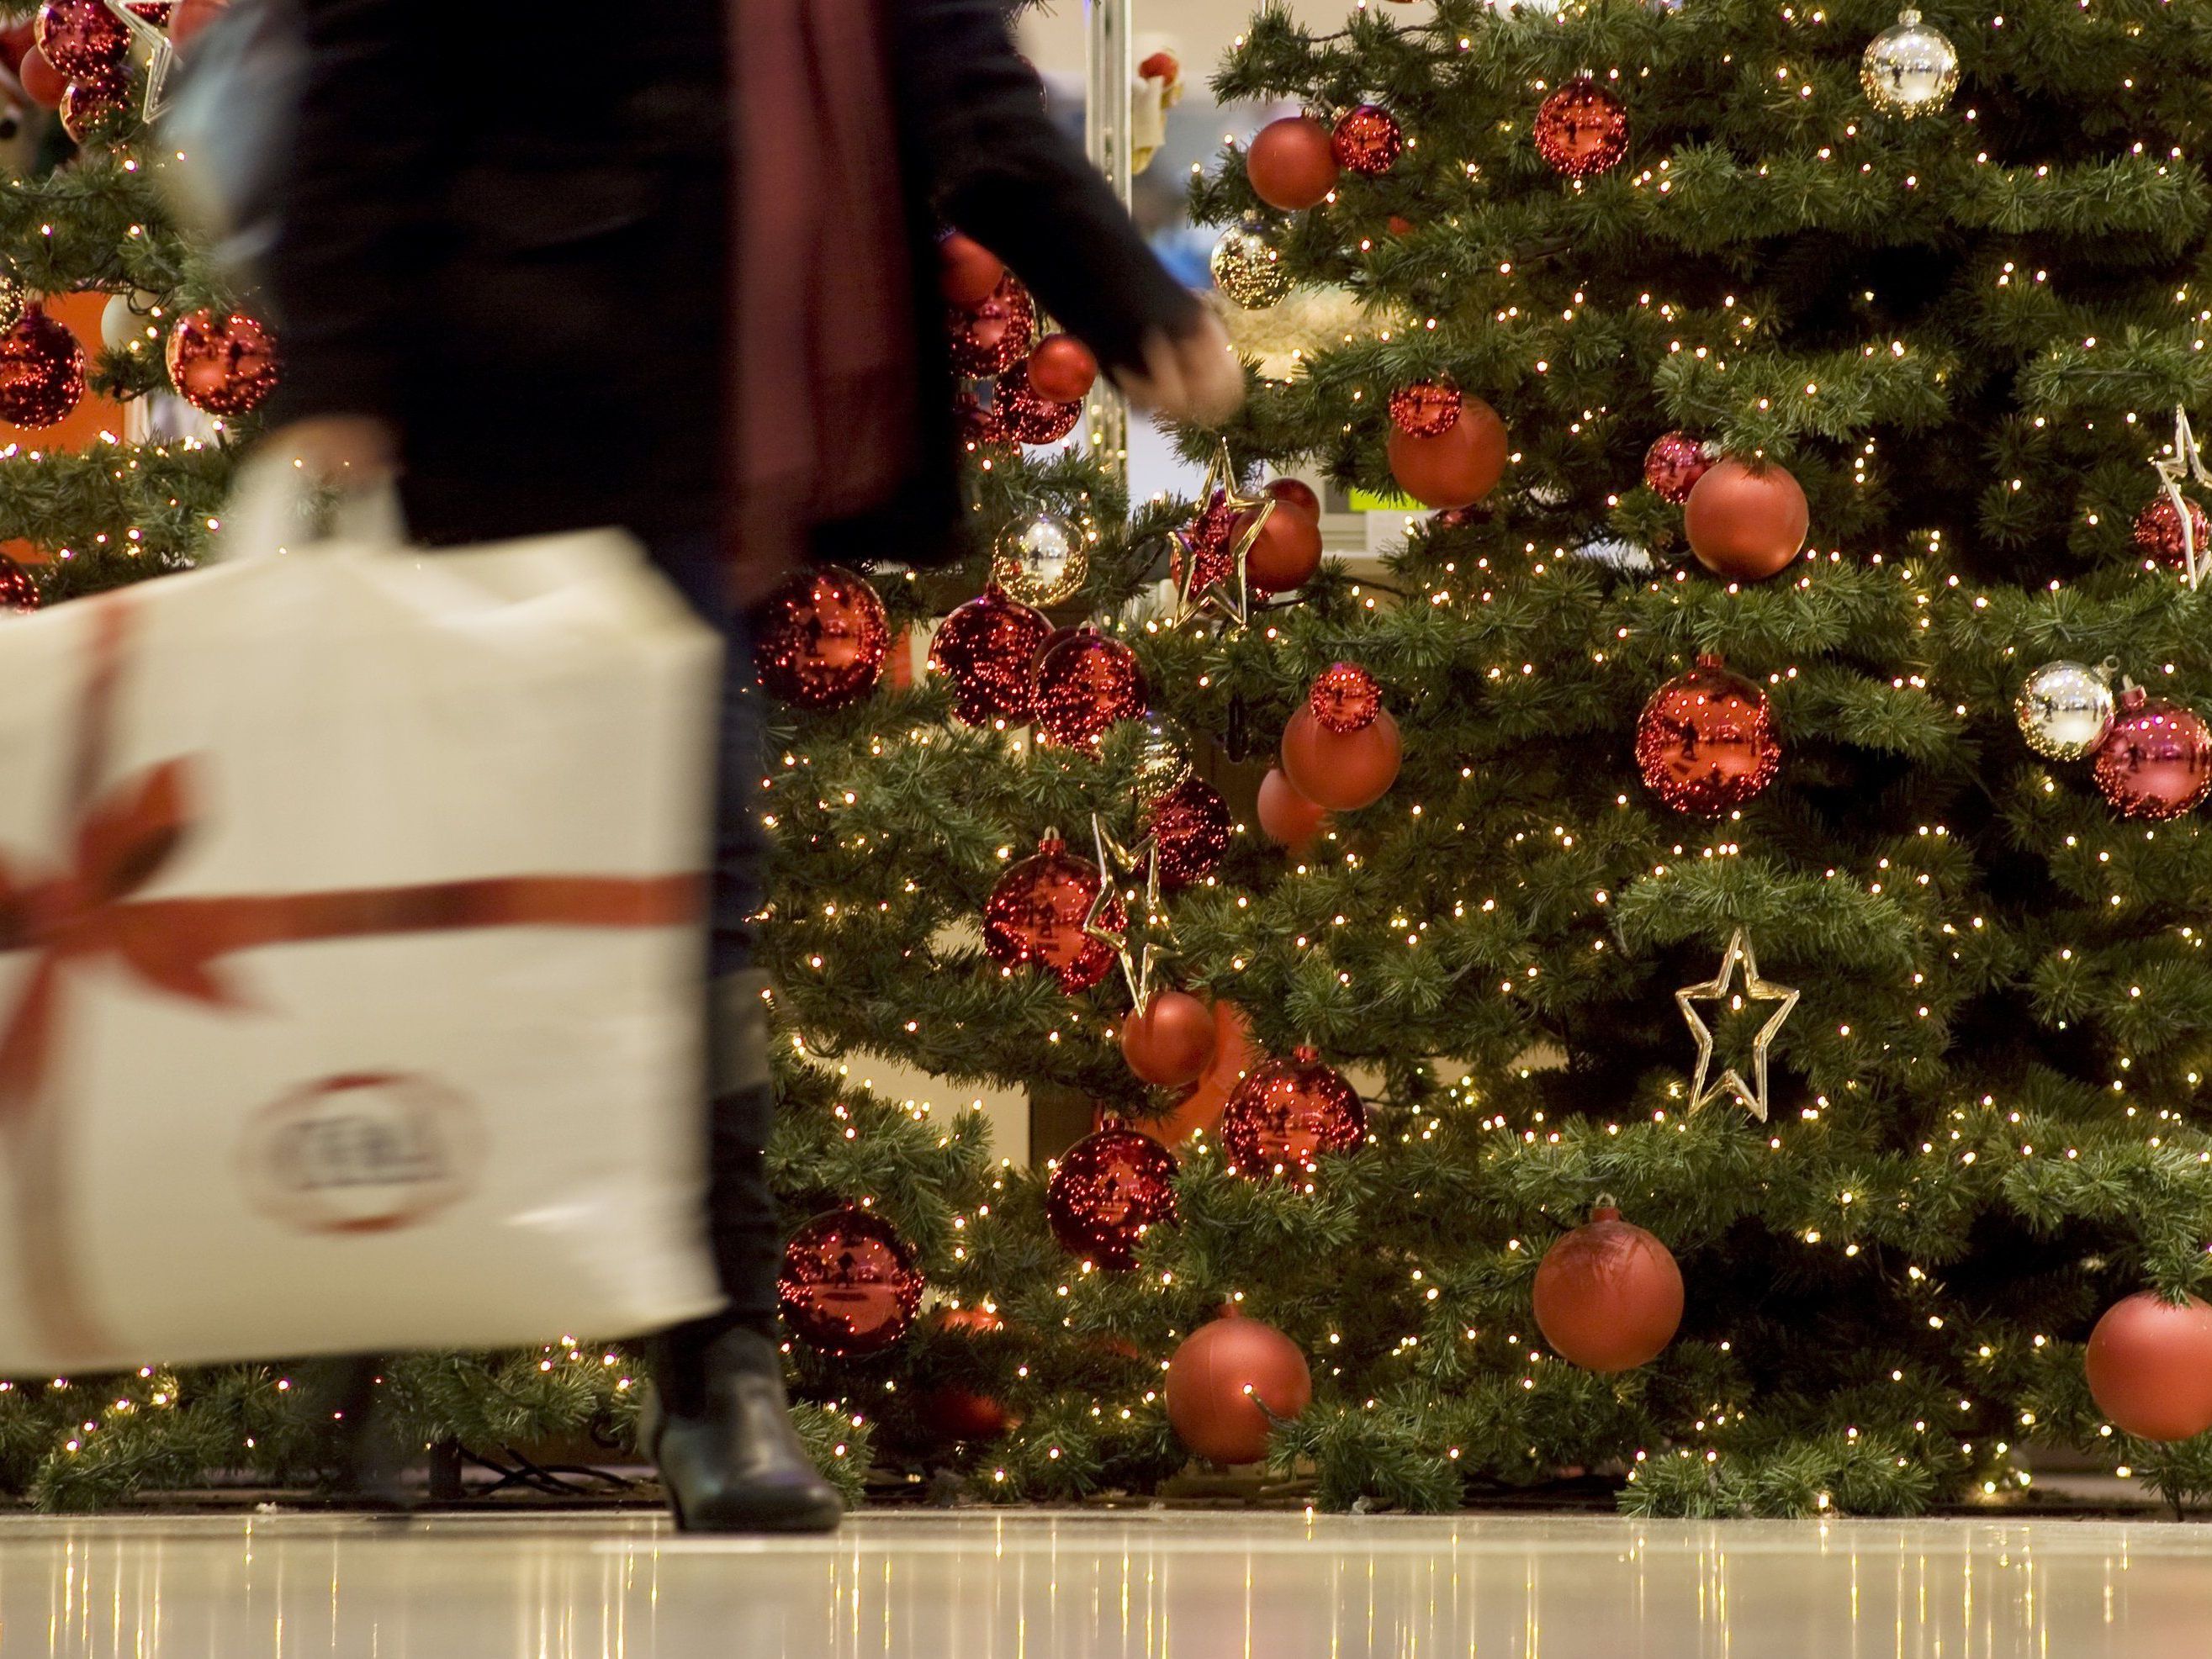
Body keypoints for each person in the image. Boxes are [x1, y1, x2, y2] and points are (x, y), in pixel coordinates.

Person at [260, 0, 1243, 1532]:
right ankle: (387, 1348)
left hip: (696, 437)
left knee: (690, 895)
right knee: (481, 889)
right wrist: (332, 360)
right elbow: (373, 60)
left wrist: (1123, 293)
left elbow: (955, 75)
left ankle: (715, 1374)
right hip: (523, 404)